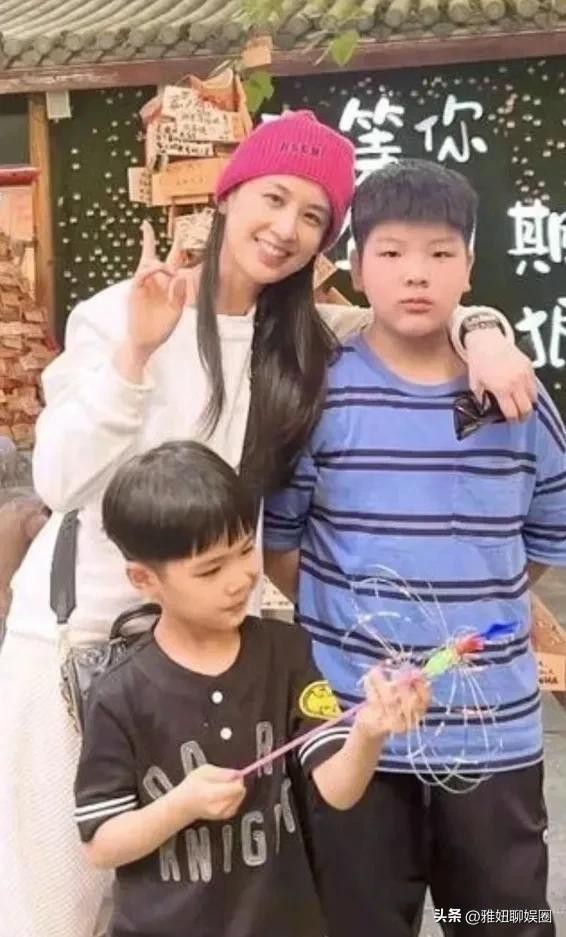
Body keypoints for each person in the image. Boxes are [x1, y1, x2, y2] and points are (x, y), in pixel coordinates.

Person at [0, 111, 536, 937]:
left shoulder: (302, 337)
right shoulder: (123, 311)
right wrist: (136, 354)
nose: (287, 228)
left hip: (215, 645)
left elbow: (414, 313)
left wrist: (487, 330)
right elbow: (59, 478)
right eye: (273, 198)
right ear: (227, 195)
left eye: (314, 215)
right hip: (83, 635)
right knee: (59, 903)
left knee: (195, 892)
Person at [263, 159, 566, 937]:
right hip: (352, 736)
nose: (416, 273)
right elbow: (282, 548)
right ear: (357, 267)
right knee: (354, 924)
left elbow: (543, 540)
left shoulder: (517, 399)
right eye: (392, 252)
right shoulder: (318, 394)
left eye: (439, 252)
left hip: (491, 740)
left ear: (470, 265)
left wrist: (471, 587)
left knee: (498, 921)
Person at [75, 439, 428, 937]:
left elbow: (337, 792)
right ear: (144, 579)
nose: (240, 578)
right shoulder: (119, 693)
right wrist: (180, 806)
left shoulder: (286, 652)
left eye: (246, 549)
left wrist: (368, 733)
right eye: (210, 569)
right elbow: (100, 843)